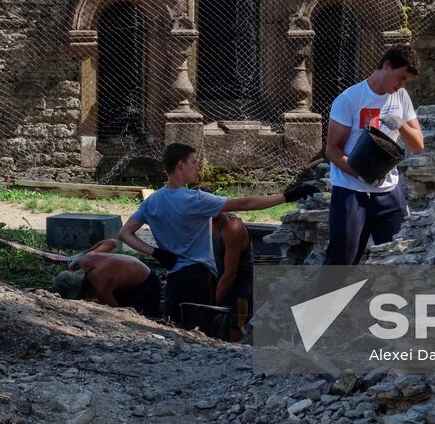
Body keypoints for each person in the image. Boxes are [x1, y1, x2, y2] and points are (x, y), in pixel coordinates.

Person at [119, 142, 319, 325]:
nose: (196, 167)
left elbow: (125, 233)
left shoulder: (153, 201)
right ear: (181, 165)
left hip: (174, 278)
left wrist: (156, 253)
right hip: (198, 274)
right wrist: (287, 196)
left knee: (175, 327)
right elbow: (245, 203)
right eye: (193, 162)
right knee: (200, 331)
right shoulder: (194, 199)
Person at [323, 44, 425, 266]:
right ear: (386, 65)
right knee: (342, 263)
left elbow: (417, 145)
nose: (401, 85)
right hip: (351, 190)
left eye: (406, 81)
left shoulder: (401, 97)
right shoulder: (349, 99)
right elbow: (331, 150)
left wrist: (400, 125)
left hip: (388, 192)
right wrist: (361, 174)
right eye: (400, 77)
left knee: (399, 258)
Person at [50, 238, 162, 317]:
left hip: (147, 283)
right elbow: (112, 242)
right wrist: (83, 254)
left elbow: (118, 314)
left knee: (144, 316)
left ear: (80, 288)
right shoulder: (85, 259)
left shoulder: (102, 287)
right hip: (129, 277)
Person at [211, 210, 254, 341]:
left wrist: (212, 304)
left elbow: (230, 274)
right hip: (217, 284)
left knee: (235, 333)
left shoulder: (232, 228)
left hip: (238, 290)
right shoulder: (206, 222)